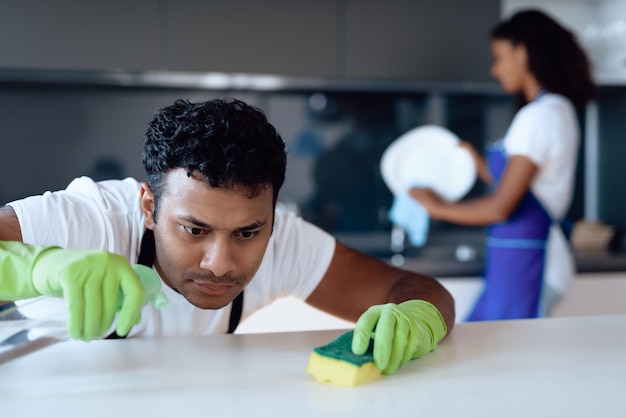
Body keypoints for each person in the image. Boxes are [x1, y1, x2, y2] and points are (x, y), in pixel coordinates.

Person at [0, 97, 454, 376]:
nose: (220, 262)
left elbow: (422, 290)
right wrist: (40, 267)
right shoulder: (92, 219)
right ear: (148, 206)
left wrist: (416, 319)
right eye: (194, 229)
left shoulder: (284, 241)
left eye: (248, 232)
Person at [409, 10, 595, 321]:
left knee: (506, 358)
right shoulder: (554, 110)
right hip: (519, 260)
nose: (495, 70)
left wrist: (438, 208)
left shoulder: (539, 117)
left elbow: (501, 207)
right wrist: (476, 161)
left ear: (522, 52)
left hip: (531, 264)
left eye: (498, 57)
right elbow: (523, 187)